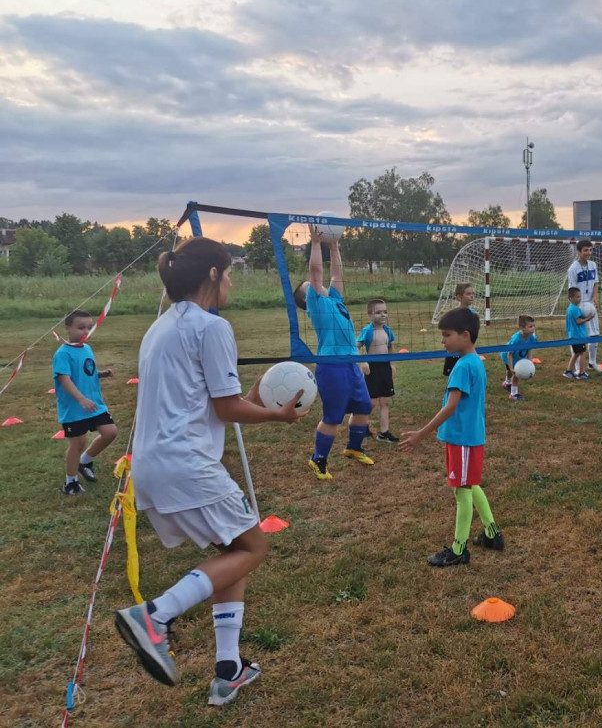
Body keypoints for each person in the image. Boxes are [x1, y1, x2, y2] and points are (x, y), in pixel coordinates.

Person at [115, 237, 303, 705]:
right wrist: (276, 416)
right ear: (214, 275)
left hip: (154, 462)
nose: (232, 283)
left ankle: (228, 669)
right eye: (230, 273)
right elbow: (225, 407)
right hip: (186, 463)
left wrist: (255, 397)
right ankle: (154, 615)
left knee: (232, 549)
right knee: (254, 547)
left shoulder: (160, 327)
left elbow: (211, 403)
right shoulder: (211, 326)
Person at [399, 308, 502, 566]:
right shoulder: (475, 361)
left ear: (465, 335)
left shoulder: (462, 366)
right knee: (470, 483)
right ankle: (492, 534)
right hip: (467, 437)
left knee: (462, 491)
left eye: (447, 335)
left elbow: (451, 406)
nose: (443, 340)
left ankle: (458, 551)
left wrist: (420, 434)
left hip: (463, 439)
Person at [294, 227, 373, 480]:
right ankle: (318, 459)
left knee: (363, 408)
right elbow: (316, 272)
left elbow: (337, 273)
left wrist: (334, 245)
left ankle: (353, 448)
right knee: (333, 417)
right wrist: (315, 243)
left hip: (350, 363)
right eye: (311, 287)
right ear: (308, 298)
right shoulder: (316, 304)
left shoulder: (335, 299)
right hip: (332, 365)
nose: (317, 285)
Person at [53, 310, 118, 494]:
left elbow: (86, 372)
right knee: (78, 442)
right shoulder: (63, 354)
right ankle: (71, 482)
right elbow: (65, 379)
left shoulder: (87, 349)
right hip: (75, 408)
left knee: (110, 432)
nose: (85, 332)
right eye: (80, 327)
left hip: (94, 404)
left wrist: (102, 374)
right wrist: (81, 399)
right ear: (68, 328)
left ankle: (85, 461)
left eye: (89, 328)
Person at [357, 299, 399, 443]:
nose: (383, 315)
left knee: (385, 401)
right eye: (378, 312)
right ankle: (363, 426)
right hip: (372, 369)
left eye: (385, 312)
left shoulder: (387, 330)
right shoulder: (367, 330)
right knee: (372, 402)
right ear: (370, 315)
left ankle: (384, 432)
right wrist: (363, 362)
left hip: (385, 367)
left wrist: (392, 365)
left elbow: (391, 348)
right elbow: (356, 347)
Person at [568, 240, 602, 374]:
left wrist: (594, 298)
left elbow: (595, 283)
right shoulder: (573, 269)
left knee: (595, 334)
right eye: (585, 250)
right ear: (579, 252)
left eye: (590, 250)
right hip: (579, 306)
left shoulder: (593, 265)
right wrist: (578, 307)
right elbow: (572, 290)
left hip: (591, 305)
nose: (588, 253)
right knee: (579, 338)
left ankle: (592, 363)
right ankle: (578, 368)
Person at [443, 283, 478, 376]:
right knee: (454, 375)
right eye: (468, 294)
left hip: (467, 351)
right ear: (459, 297)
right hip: (455, 352)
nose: (472, 296)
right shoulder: (453, 315)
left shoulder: (474, 315)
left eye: (473, 293)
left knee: (468, 374)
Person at [500, 314, 537, 401]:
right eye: (530, 326)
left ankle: (507, 383)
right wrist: (511, 367)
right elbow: (510, 353)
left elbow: (529, 349)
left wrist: (530, 363)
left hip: (518, 358)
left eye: (534, 326)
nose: (533, 328)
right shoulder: (516, 339)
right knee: (514, 374)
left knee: (511, 372)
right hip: (508, 356)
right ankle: (513, 394)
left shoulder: (532, 337)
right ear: (522, 328)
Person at [563, 288, 594, 380]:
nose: (579, 299)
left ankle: (568, 371)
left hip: (573, 335)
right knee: (582, 354)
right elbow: (578, 321)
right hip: (578, 336)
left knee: (576, 353)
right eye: (577, 297)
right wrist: (588, 318)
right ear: (570, 298)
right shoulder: (575, 309)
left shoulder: (570, 308)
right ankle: (581, 373)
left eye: (580, 296)